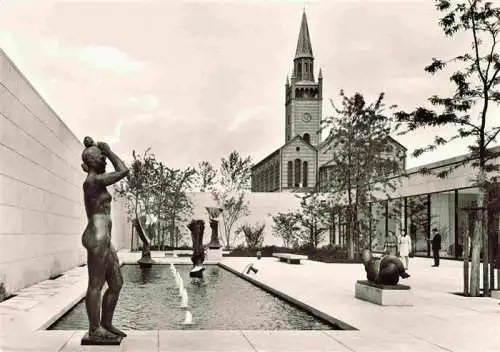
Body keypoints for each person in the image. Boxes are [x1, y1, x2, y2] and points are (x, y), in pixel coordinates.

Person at [81, 137, 129, 341]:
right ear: (93, 161)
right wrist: (108, 151)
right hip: (96, 237)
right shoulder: (93, 181)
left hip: (105, 238)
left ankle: (106, 323)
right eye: (102, 158)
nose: (106, 161)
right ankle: (94, 329)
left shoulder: (96, 181)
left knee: (116, 283)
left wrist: (103, 151)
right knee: (96, 284)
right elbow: (123, 170)